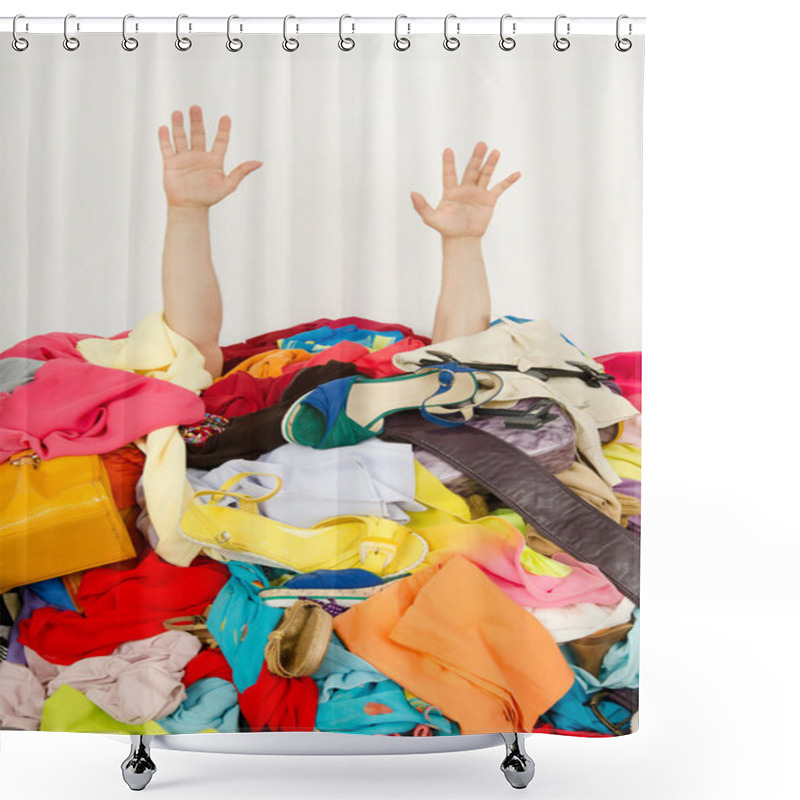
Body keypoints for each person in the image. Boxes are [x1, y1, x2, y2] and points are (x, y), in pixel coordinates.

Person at [158, 105, 521, 379]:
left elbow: (454, 364)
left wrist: (463, 243)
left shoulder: (413, 398)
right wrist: (187, 213)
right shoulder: (239, 401)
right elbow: (193, 357)